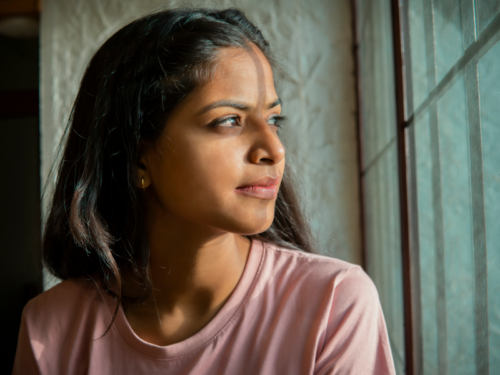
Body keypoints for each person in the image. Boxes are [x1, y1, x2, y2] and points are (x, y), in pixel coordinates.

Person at [13, 7, 396, 375]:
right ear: (137, 158)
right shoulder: (51, 330)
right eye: (229, 120)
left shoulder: (335, 305)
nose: (275, 150)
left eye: (273, 119)